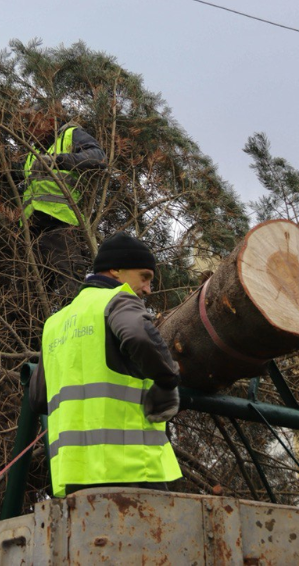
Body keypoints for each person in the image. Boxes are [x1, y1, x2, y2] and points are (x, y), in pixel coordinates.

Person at [29, 232, 183, 497]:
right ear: (115, 270)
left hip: (75, 478)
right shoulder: (118, 300)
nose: (147, 289)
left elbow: (38, 399)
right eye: (144, 277)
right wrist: (168, 381)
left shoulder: (55, 323)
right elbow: (138, 335)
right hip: (131, 471)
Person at [21, 115, 106, 297]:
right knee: (30, 292)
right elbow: (17, 176)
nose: (30, 130)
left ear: (50, 120)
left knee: (69, 286)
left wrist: (57, 160)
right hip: (32, 230)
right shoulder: (32, 151)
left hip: (61, 225)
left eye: (33, 124)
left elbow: (98, 157)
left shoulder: (70, 135)